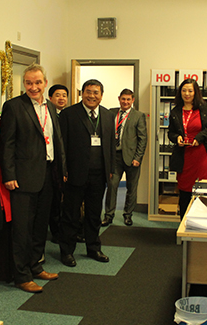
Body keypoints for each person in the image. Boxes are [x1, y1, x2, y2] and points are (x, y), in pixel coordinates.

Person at [0, 64, 65, 293]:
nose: (33, 87)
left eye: (37, 82)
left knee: (39, 226)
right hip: (23, 177)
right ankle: (21, 275)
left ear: (45, 83)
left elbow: (56, 140)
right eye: (28, 83)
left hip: (48, 174)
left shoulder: (51, 107)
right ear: (24, 84)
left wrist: (62, 169)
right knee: (22, 229)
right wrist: (9, 174)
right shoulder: (14, 107)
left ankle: (36, 266)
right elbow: (6, 144)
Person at [59, 79, 114, 267]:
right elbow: (61, 145)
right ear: (82, 93)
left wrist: (110, 170)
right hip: (74, 174)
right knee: (71, 215)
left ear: (101, 95)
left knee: (94, 214)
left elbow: (110, 145)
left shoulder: (108, 115)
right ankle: (67, 251)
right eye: (88, 92)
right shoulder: (68, 114)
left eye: (96, 92)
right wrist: (63, 169)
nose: (92, 96)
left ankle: (93, 248)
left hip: (99, 174)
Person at [168, 78, 207, 220]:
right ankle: (184, 223)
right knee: (184, 192)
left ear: (195, 92)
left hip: (200, 156)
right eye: (184, 90)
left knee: (201, 192)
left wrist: (200, 137)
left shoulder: (204, 109)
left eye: (190, 91)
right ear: (180, 92)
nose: (187, 94)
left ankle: (200, 223)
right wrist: (177, 138)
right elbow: (170, 132)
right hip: (183, 157)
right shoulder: (175, 111)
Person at [102, 89, 148, 226]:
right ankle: (108, 215)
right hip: (114, 157)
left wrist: (138, 158)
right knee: (112, 186)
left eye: (128, 99)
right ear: (119, 99)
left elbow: (142, 139)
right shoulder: (111, 113)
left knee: (131, 188)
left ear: (132, 100)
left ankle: (128, 215)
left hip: (132, 157)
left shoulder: (138, 116)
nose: (125, 102)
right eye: (123, 99)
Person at [47, 84, 69, 244]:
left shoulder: (69, 115)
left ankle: (67, 230)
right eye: (57, 95)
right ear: (50, 98)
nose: (61, 98)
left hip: (67, 163)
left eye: (64, 95)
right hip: (53, 165)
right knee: (54, 201)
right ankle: (56, 232)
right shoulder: (47, 115)